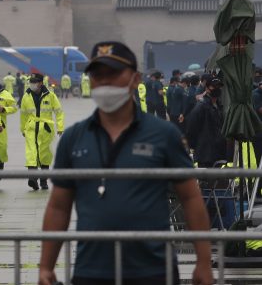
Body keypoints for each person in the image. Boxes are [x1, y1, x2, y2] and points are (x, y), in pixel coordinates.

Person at [38, 41, 213, 285]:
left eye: (114, 73)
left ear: (135, 78)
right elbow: (58, 207)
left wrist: (203, 262)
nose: (105, 82)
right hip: (91, 270)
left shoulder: (164, 135)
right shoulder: (74, 138)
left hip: (153, 269)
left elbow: (191, 198)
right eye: (98, 75)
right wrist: (46, 267)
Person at [20, 73, 63, 191]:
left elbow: (59, 112)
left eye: (34, 82)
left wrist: (60, 127)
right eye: (31, 82)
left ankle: (44, 181)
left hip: (46, 129)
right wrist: (22, 128)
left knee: (45, 155)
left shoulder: (50, 96)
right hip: (31, 128)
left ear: (41, 83)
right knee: (31, 153)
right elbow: (23, 114)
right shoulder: (26, 96)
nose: (32, 84)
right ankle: (33, 179)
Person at [186, 78, 229, 168]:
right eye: (214, 87)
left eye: (219, 87)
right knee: (207, 179)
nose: (217, 89)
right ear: (207, 89)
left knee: (217, 179)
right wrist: (195, 146)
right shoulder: (201, 106)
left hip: (218, 150)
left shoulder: (219, 105)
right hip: (205, 152)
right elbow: (192, 128)